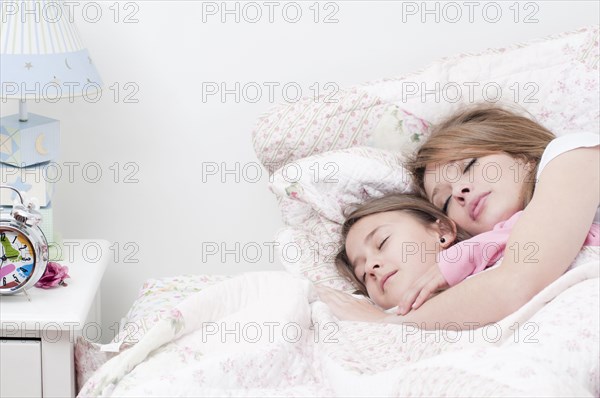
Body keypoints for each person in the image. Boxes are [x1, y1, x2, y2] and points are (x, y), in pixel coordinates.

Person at [318, 104, 599, 329]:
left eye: (469, 166)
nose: (461, 191)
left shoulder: (574, 155)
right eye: (447, 199)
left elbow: (516, 284)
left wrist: (389, 323)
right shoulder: (488, 264)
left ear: (520, 154)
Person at [333, 193, 599, 314]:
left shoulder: (495, 245)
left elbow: (545, 228)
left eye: (382, 241)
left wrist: (459, 259)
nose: (371, 268)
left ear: (443, 231)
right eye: (362, 273)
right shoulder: (392, 324)